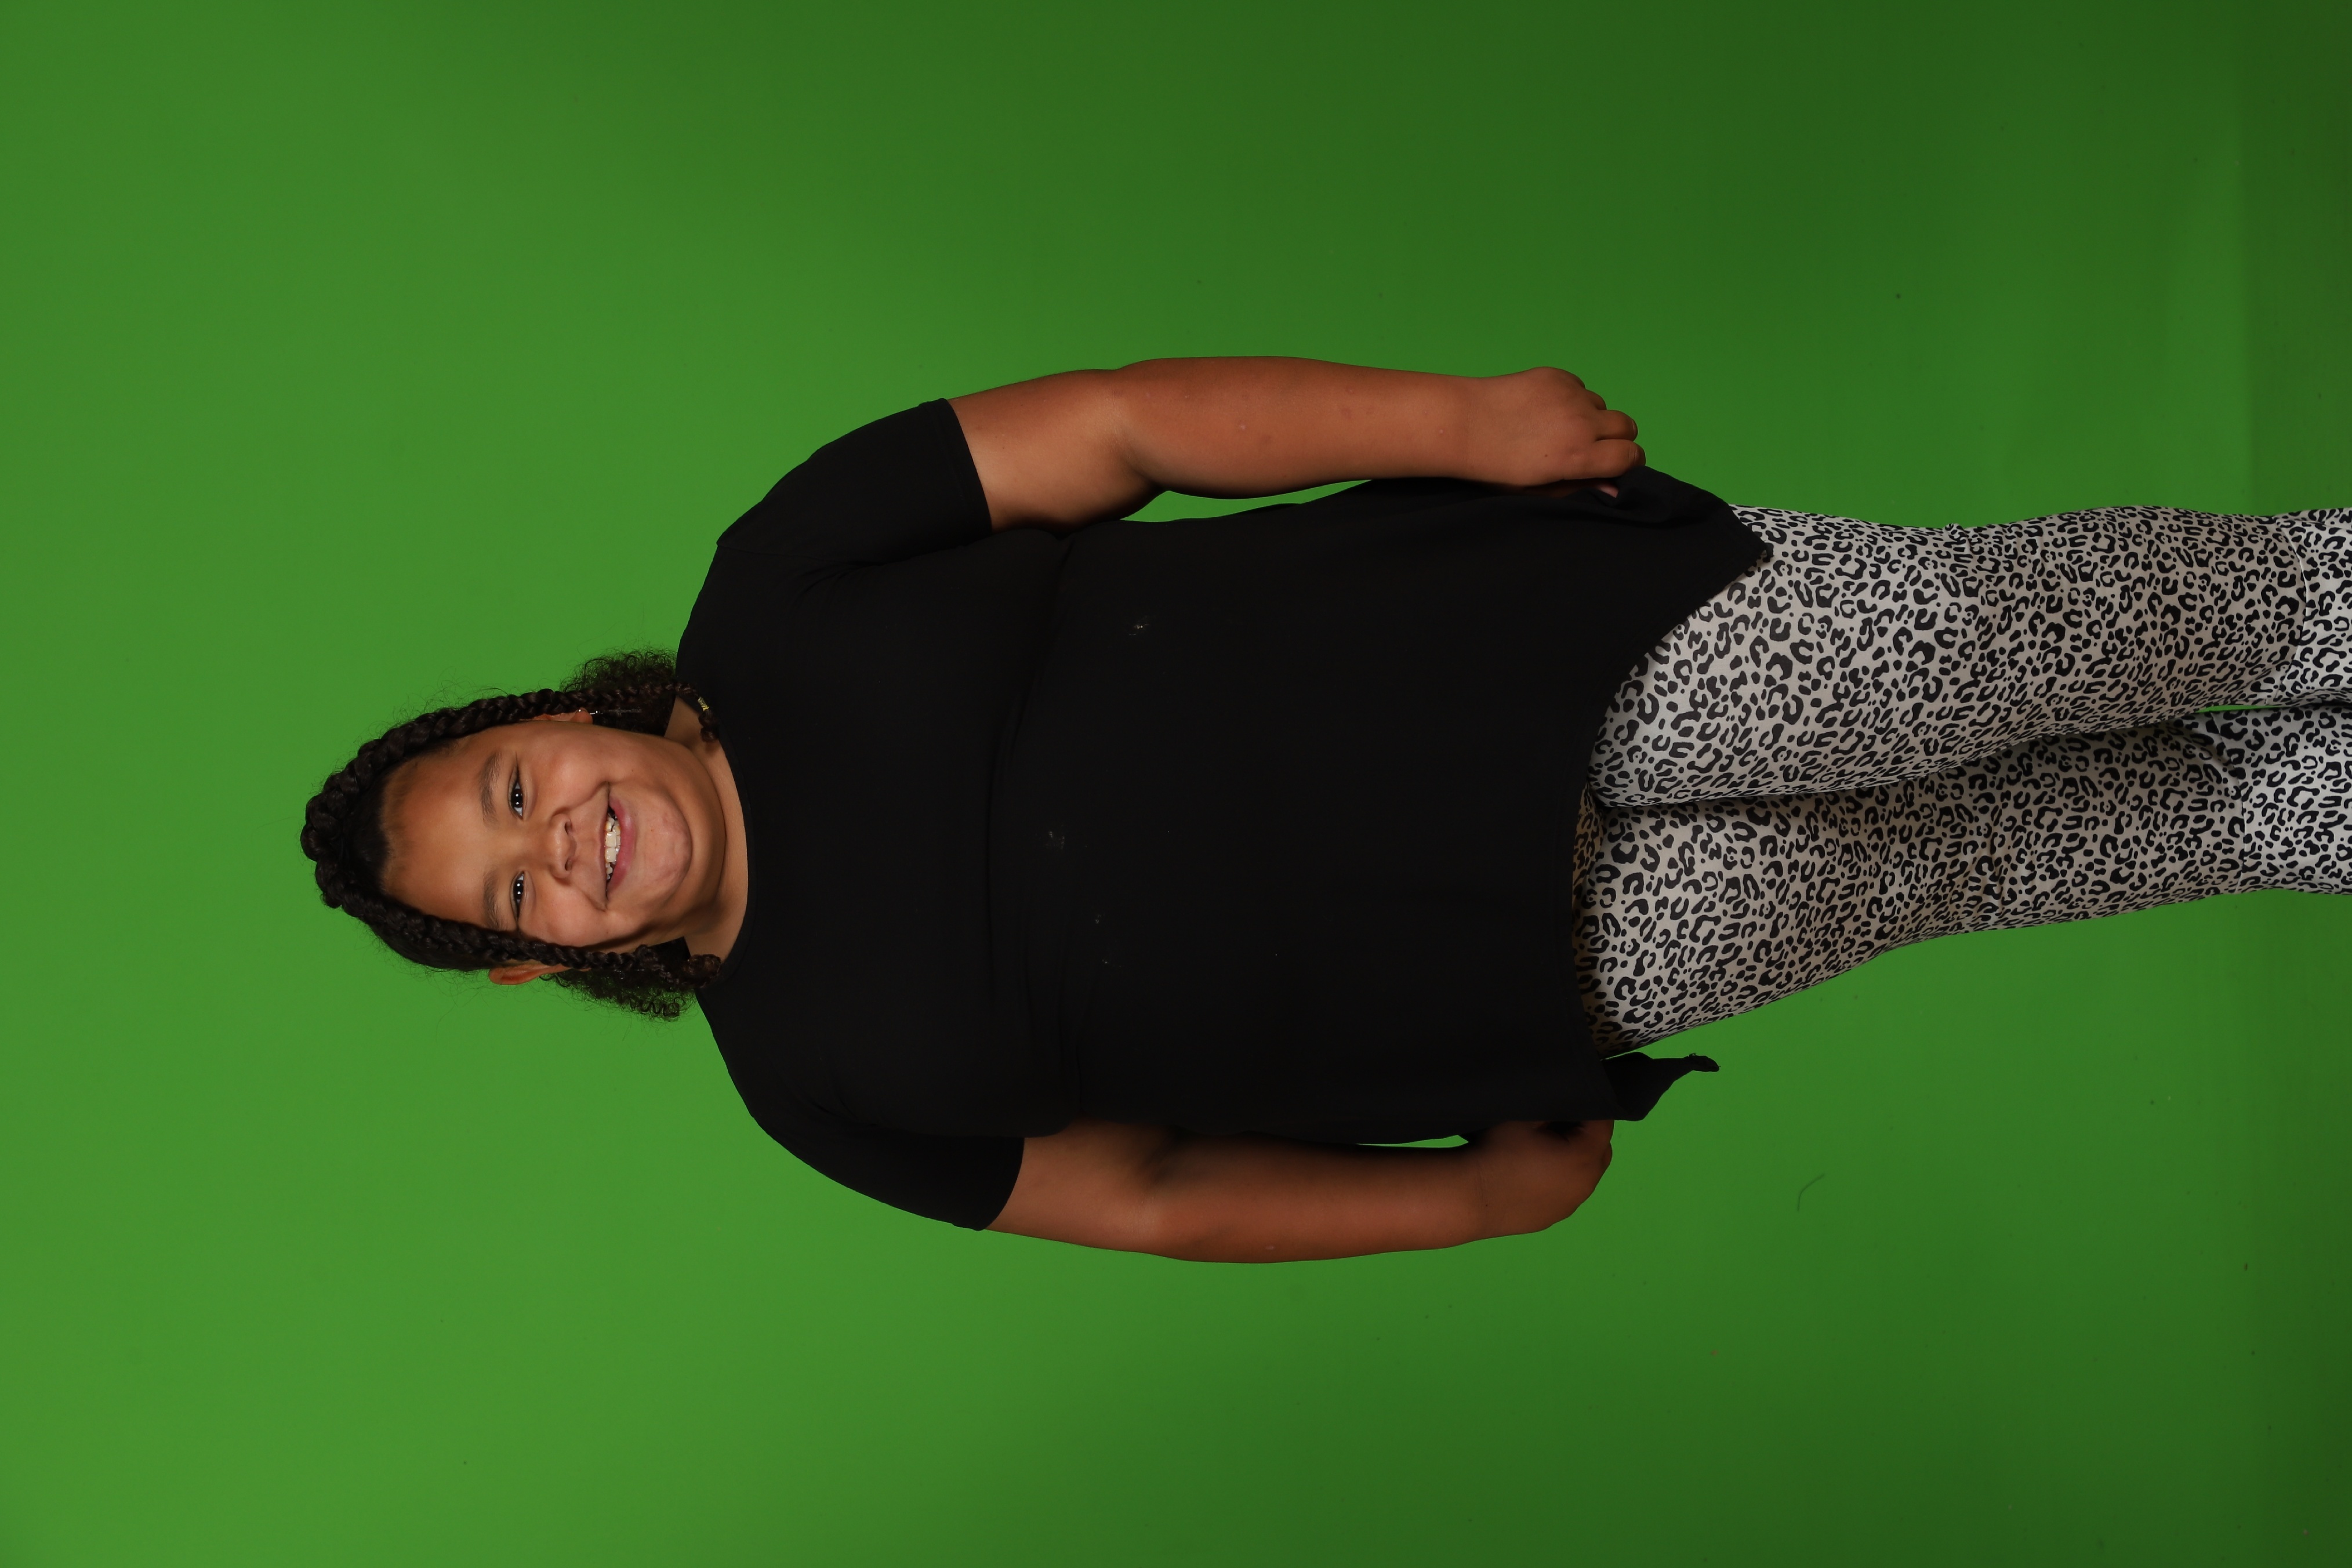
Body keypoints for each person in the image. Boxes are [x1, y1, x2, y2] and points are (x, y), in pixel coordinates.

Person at [298, 358, 2352, 1262]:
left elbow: (1125, 426)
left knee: (1985, 651)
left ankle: (2318, 592)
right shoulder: (813, 1088)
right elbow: (1155, 1194)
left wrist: (1458, 421)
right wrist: (1463, 1202)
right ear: (539, 961)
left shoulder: (787, 573)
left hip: (1529, 643)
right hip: (1545, 966)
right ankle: (2313, 805)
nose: (556, 841)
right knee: (2011, 846)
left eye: (512, 788)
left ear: (555, 719)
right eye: (513, 891)